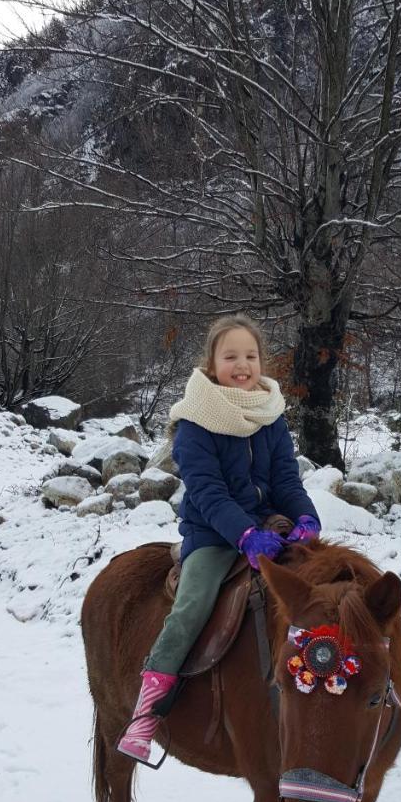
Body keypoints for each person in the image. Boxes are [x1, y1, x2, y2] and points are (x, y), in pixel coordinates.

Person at [118, 313, 321, 765]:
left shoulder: (270, 414)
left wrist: (306, 517)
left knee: (333, 582)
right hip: (213, 534)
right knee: (191, 608)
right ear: (212, 363)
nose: (242, 364)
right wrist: (243, 534)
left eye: (250, 355)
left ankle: (373, 676)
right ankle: (147, 711)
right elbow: (207, 492)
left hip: (271, 528)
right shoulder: (195, 423)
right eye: (231, 356)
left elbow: (287, 478)